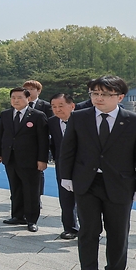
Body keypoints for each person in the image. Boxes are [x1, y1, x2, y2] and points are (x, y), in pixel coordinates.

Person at [57, 76, 136, 270]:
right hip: (87, 184)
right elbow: (68, 150)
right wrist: (66, 176)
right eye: (94, 93)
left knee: (118, 233)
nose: (98, 98)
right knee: (88, 231)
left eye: (104, 94)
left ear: (119, 97)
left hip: (120, 185)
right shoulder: (79, 118)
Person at [0, 87, 49, 233]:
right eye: (13, 98)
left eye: (19, 97)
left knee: (31, 190)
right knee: (15, 188)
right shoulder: (5, 114)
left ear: (28, 99)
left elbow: (43, 140)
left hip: (30, 160)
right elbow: (0, 135)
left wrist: (42, 159)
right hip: (10, 158)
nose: (16, 100)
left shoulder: (37, 115)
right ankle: (17, 215)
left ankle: (31, 220)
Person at [48, 93, 79, 240]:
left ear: (72, 106)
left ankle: (88, 229)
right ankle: (70, 228)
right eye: (54, 107)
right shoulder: (52, 122)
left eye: (61, 106)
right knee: (65, 197)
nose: (57, 109)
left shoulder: (83, 120)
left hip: (83, 165)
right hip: (62, 165)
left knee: (85, 198)